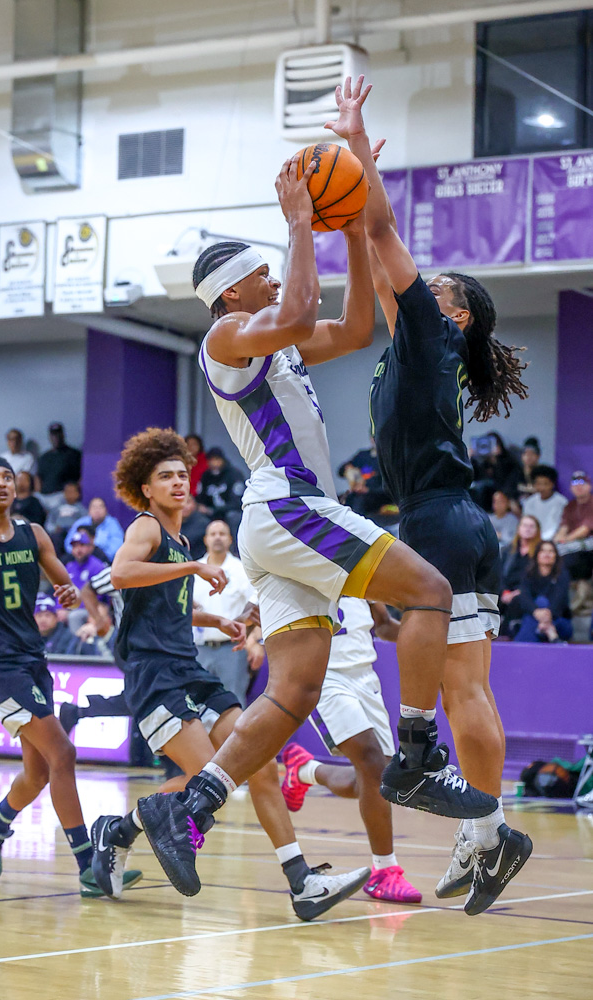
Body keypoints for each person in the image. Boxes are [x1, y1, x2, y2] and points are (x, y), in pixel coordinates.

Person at [135, 100, 499, 912]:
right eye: (263, 274)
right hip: (289, 506)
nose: (276, 278)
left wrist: (349, 227)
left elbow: (359, 326)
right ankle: (416, 752)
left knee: (294, 690)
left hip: (281, 527)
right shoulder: (227, 338)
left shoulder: (276, 337)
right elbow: (298, 310)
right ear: (234, 291)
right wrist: (301, 221)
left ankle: (187, 806)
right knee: (432, 590)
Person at [333, 75, 531, 914]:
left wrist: (356, 144)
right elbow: (373, 248)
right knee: (467, 691)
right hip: (457, 518)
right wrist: (354, 186)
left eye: (434, 285)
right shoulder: (416, 341)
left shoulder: (427, 331)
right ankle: (488, 834)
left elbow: (381, 234)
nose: (416, 285)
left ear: (453, 314)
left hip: (439, 521)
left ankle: (473, 815)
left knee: (457, 694)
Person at [90, 429, 371, 919]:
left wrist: (214, 619)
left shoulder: (180, 541)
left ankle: (302, 882)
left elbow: (167, 606)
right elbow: (120, 574)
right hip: (153, 673)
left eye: (182, 474)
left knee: (256, 762)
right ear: (146, 488)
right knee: (205, 777)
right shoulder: (147, 529)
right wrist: (193, 568)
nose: (178, 482)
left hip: (188, 667)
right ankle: (116, 831)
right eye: (165, 476)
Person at [0, 454, 140, 898]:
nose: (2, 483)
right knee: (64, 752)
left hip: (34, 659)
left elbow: (67, 588)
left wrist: (67, 591)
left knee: (38, 774)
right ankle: (89, 866)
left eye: (7, 476)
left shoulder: (33, 534)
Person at [281, 597, 421, 904]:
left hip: (366, 678)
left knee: (378, 782)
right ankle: (384, 870)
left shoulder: (363, 574)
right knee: (372, 763)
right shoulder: (302, 571)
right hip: (325, 676)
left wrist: (431, 638)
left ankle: (305, 770)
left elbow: (383, 625)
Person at [193, 519, 256, 708]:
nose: (217, 538)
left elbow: (256, 604)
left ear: (230, 539)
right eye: (213, 534)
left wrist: (253, 638)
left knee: (234, 703)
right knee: (197, 705)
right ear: (205, 539)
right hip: (198, 649)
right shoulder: (195, 570)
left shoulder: (241, 569)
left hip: (231, 648)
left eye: (222, 534)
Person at [514, 541, 572, 643]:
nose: (547, 554)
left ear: (556, 556)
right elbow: (525, 597)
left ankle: (522, 649)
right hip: (533, 618)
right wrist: (535, 612)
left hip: (559, 622)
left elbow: (559, 601)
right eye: (543, 551)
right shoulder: (528, 574)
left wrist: (546, 616)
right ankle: (550, 633)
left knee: (541, 602)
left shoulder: (562, 575)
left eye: (551, 551)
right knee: (536, 608)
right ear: (537, 555)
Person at [554, 471, 593, 606]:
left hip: (587, 546)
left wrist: (566, 540)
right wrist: (556, 541)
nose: (578, 486)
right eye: (575, 483)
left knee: (567, 557)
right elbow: (563, 527)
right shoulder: (570, 506)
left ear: (589, 486)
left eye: (582, 482)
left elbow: (585, 529)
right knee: (552, 552)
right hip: (572, 546)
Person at [499, 514, 541, 638]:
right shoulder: (507, 550)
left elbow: (538, 578)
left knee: (518, 600)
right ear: (518, 528)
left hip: (527, 591)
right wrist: (504, 592)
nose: (528, 529)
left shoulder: (540, 551)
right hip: (506, 590)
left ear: (537, 530)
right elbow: (499, 574)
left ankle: (506, 634)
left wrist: (518, 592)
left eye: (531, 526)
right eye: (525, 525)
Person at [195, 447, 246, 538]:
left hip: (229, 512)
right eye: (211, 460)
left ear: (222, 460)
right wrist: (201, 507)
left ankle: (235, 546)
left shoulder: (234, 475)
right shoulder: (206, 476)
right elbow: (200, 498)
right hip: (210, 514)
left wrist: (215, 510)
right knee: (197, 518)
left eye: (217, 459)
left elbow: (237, 502)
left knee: (233, 517)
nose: (214, 463)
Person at [34, 592, 103, 656]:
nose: (43, 620)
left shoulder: (67, 636)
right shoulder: (31, 636)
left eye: (47, 615)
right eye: (39, 616)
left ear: (56, 618)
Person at [65, 497, 124, 561]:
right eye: (94, 507)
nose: (97, 510)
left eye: (100, 507)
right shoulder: (80, 523)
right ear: (89, 511)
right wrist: (80, 552)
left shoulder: (113, 524)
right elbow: (68, 544)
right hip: (80, 558)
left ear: (106, 510)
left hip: (104, 558)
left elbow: (117, 546)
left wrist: (96, 557)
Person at [522, 465, 568, 541]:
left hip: (553, 541)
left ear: (552, 484)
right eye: (538, 484)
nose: (542, 488)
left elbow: (560, 527)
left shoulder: (562, 502)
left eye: (546, 484)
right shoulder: (529, 502)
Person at [36, 422, 82, 495]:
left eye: (58, 434)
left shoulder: (74, 454)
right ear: (50, 437)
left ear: (63, 435)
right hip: (45, 496)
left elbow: (81, 477)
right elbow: (38, 478)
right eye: (53, 435)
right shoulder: (44, 457)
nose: (56, 437)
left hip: (63, 495)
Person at [45, 481, 87, 552]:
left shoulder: (81, 509)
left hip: (73, 532)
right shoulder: (56, 508)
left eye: (72, 492)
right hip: (58, 533)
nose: (69, 494)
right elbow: (49, 523)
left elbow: (85, 522)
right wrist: (54, 529)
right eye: (67, 492)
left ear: (78, 494)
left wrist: (75, 529)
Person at [180, 492, 211, 559]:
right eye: (180, 502)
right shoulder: (167, 523)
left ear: (194, 504)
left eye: (188, 502)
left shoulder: (203, 523)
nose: (184, 506)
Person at [515, 437, 541, 505]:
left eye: (532, 453)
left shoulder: (543, 473)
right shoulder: (516, 473)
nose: (529, 457)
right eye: (526, 453)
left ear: (538, 456)